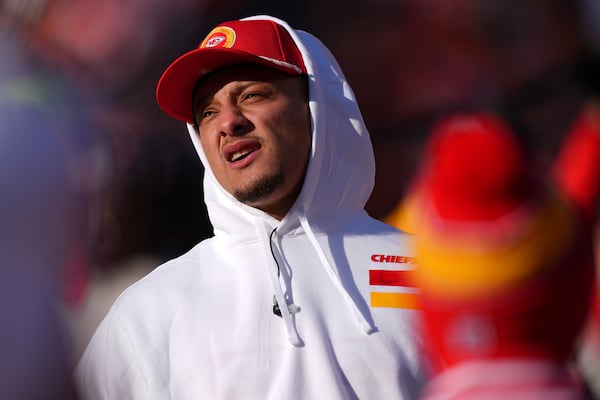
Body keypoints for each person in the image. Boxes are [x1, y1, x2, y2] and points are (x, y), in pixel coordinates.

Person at [75, 15, 428, 399]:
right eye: (207, 112)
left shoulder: (432, 272)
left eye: (251, 95)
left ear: (317, 107)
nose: (228, 122)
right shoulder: (151, 310)